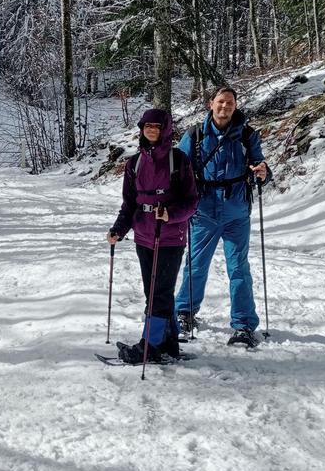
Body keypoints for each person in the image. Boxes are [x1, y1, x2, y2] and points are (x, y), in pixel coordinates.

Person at [174, 86, 269, 347]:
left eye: (230, 102)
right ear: (210, 104)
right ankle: (183, 313)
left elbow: (260, 166)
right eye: (220, 102)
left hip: (236, 212)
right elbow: (178, 170)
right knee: (195, 265)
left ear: (236, 106)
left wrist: (262, 172)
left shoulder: (247, 135)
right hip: (203, 211)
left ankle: (244, 325)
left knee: (238, 269)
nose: (225, 106)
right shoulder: (195, 135)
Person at [106, 109, 199, 365]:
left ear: (165, 128)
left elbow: (192, 202)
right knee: (155, 293)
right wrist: (118, 229)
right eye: (147, 126)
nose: (151, 130)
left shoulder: (178, 161)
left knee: (159, 292)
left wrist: (170, 214)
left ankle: (150, 346)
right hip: (144, 237)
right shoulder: (134, 163)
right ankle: (169, 344)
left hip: (169, 238)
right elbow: (129, 204)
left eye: (156, 126)